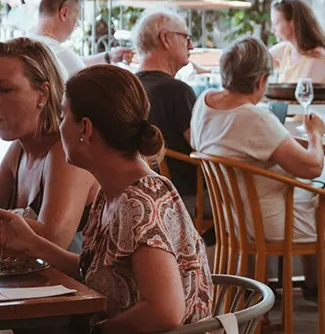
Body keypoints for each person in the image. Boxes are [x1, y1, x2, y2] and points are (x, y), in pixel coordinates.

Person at [0, 65, 212, 333]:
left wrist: (98, 331)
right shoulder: (113, 191)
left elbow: (164, 312)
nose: (59, 125)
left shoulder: (139, 201)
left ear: (85, 129)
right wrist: (33, 245)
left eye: (64, 115)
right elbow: (100, 275)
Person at [191, 36, 325, 303]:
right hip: (272, 223)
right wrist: (315, 135)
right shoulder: (255, 118)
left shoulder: (203, 103)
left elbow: (199, 144)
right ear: (260, 82)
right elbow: (312, 167)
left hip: (232, 217)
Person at [0, 38, 99, 252]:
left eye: (5, 90)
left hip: (80, 285)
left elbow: (53, 239)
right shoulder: (19, 147)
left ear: (42, 94)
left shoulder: (67, 149)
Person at [132, 10, 198, 200]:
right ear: (165, 39)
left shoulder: (128, 86)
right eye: (186, 38)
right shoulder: (177, 92)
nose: (191, 46)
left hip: (140, 193)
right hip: (181, 197)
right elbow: (204, 148)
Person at [30, 0, 133, 79]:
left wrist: (109, 57)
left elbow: (76, 61)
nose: (76, 24)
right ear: (64, 13)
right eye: (77, 17)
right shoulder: (61, 55)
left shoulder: (24, 45)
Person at [270, 0, 325, 83]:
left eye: (277, 23)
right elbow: (257, 62)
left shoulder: (318, 55)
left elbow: (302, 93)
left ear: (293, 23)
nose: (272, 30)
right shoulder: (286, 49)